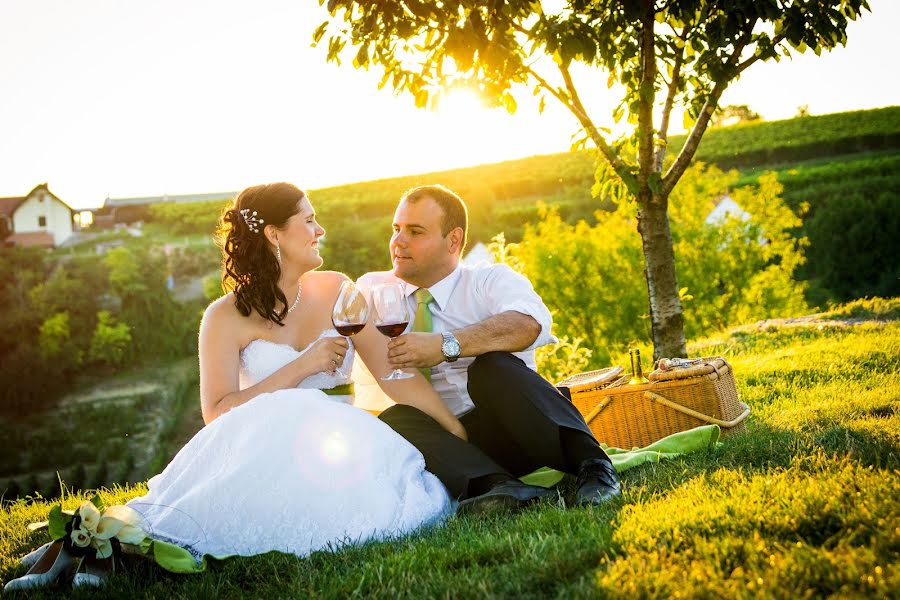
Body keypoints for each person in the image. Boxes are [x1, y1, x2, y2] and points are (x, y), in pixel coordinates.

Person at [4, 183, 462, 591]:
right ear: (274, 234)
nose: (320, 230)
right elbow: (217, 414)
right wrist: (300, 368)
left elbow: (392, 373)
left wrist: (457, 433)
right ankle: (97, 548)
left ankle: (115, 552)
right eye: (309, 220)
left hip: (337, 447)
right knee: (195, 507)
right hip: (258, 443)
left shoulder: (338, 289)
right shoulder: (222, 317)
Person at [357, 185, 622, 516]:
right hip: (452, 449)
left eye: (415, 231)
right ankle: (500, 487)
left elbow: (529, 323)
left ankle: (595, 467)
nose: (398, 241)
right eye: (396, 229)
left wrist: (445, 345)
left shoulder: (489, 280)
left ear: (453, 241)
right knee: (396, 417)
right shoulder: (375, 291)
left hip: (519, 428)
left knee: (490, 368)